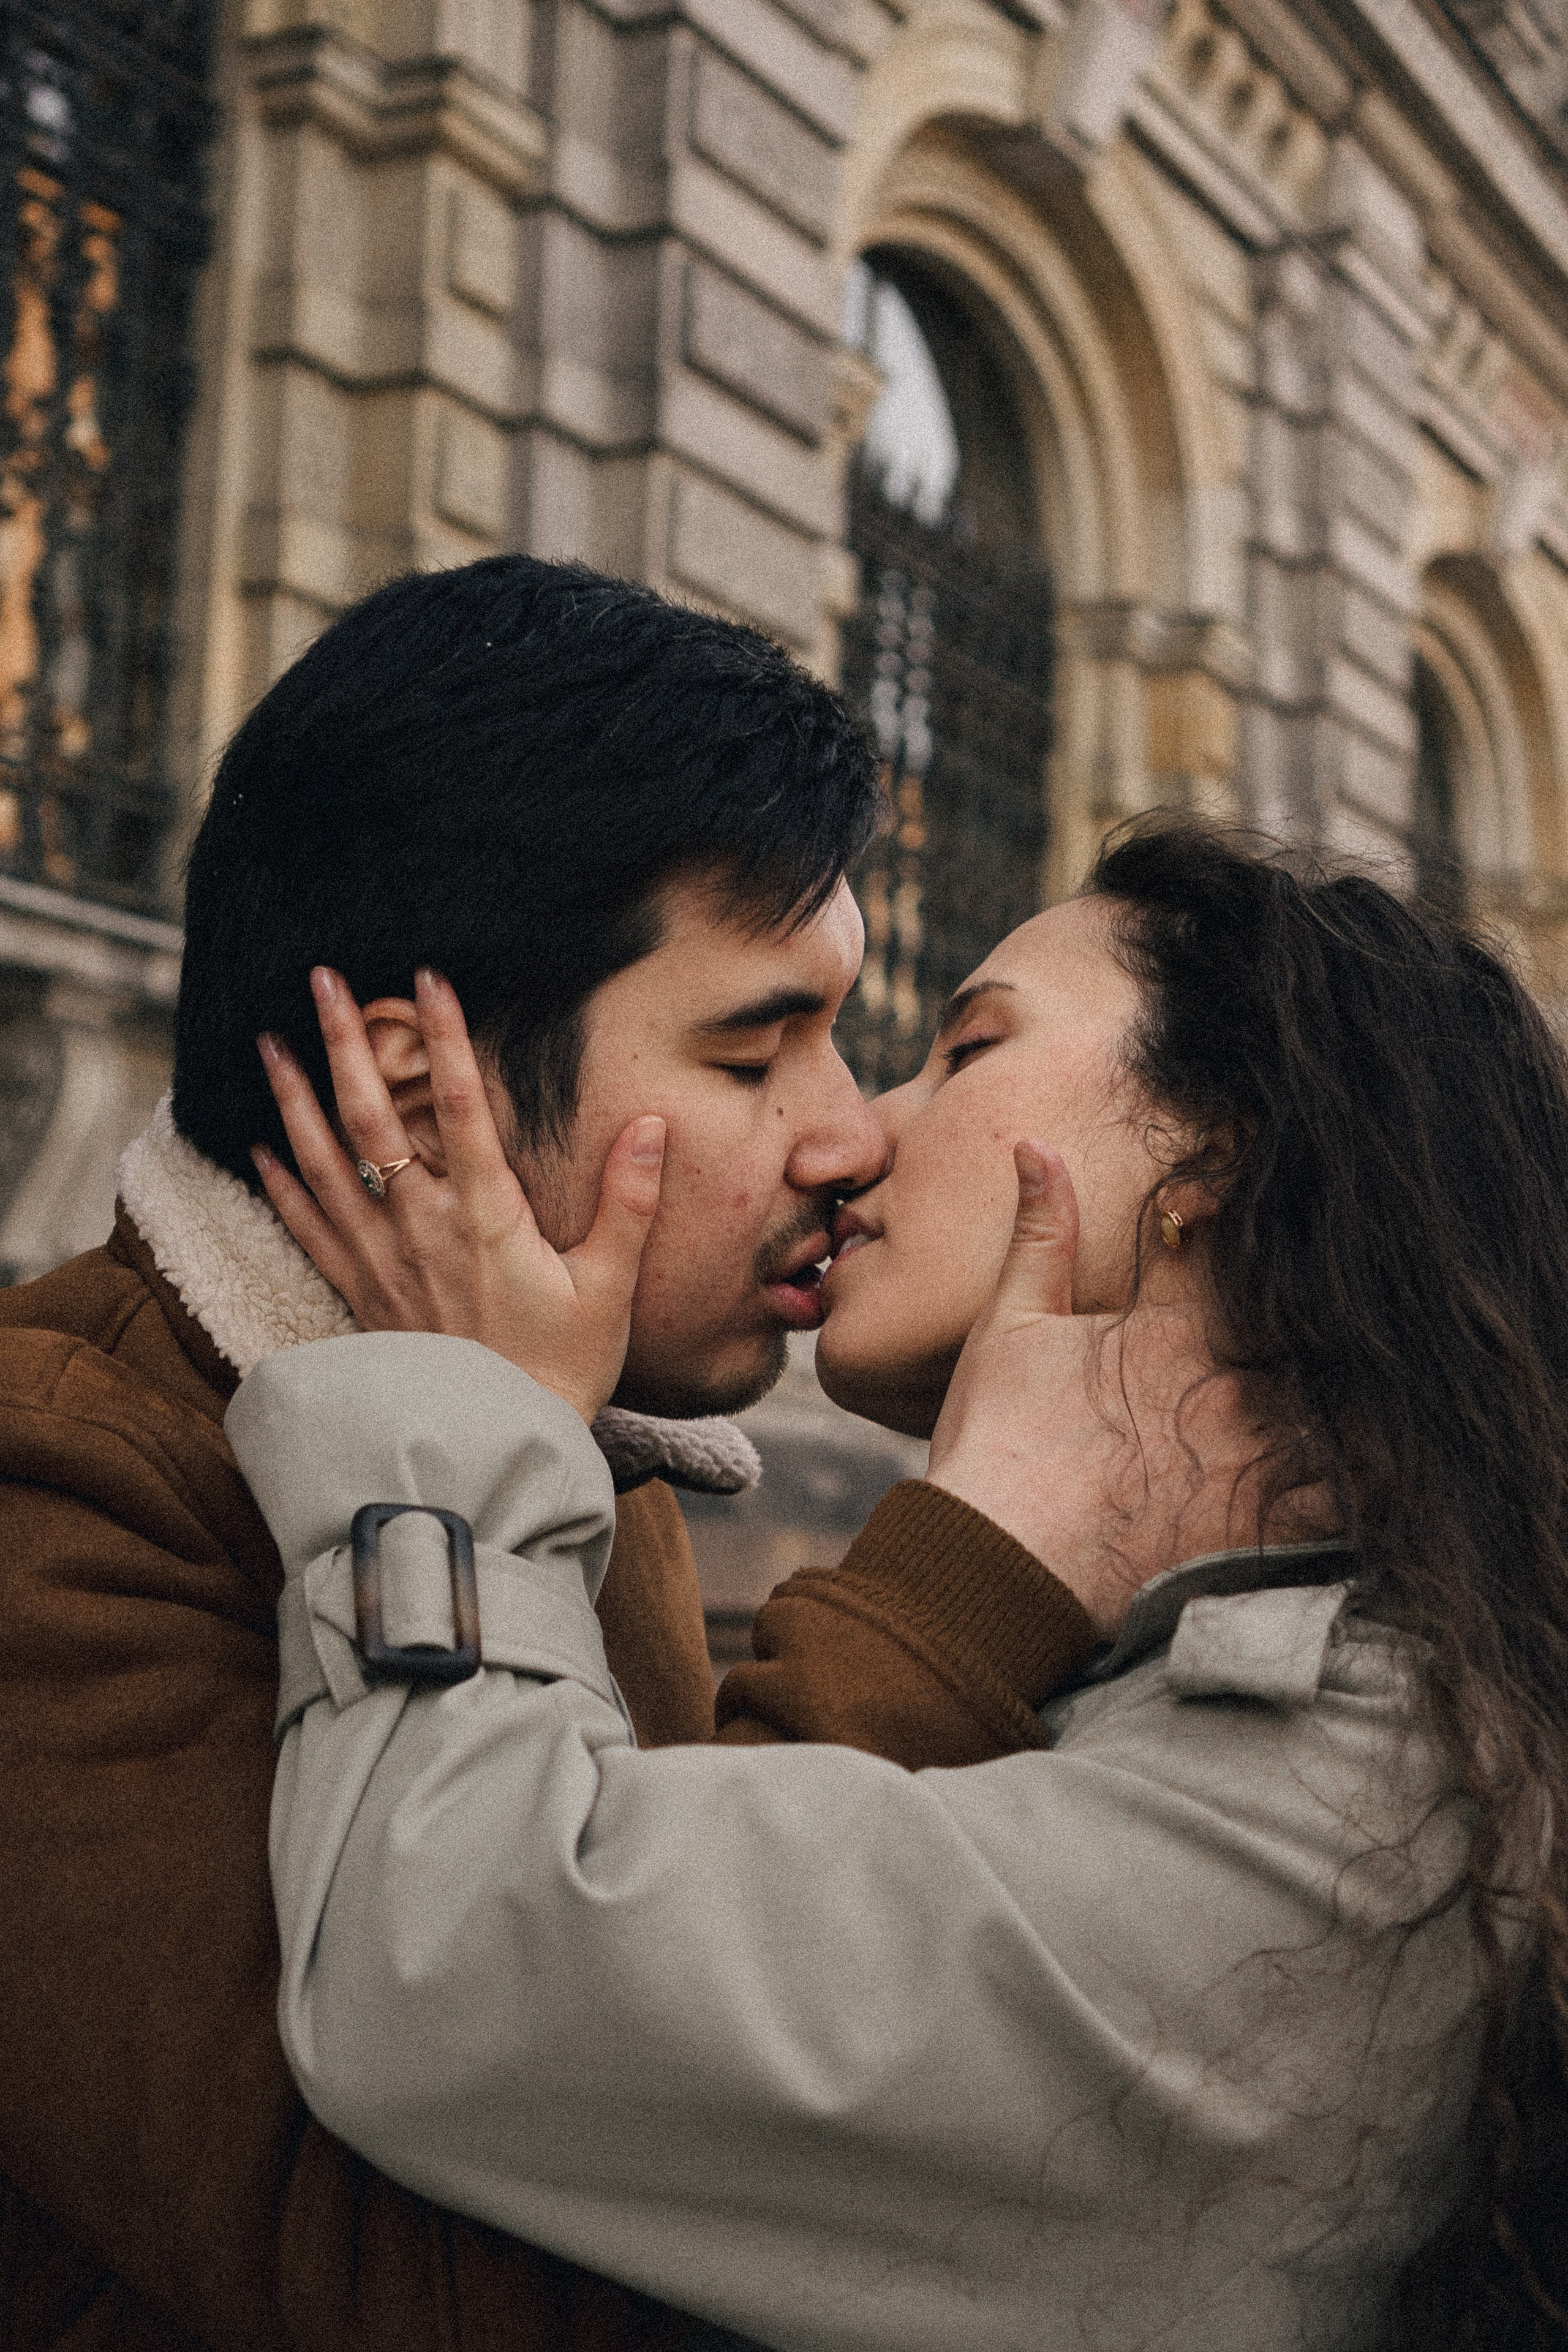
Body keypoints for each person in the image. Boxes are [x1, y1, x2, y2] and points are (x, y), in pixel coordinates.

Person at [244, 817, 1568, 2351]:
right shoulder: (1381, 1690)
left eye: (964, 1050)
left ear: (1214, 1150)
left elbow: (456, 1973)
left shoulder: (1364, 1805)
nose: (862, 1130)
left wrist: (468, 1401)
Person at [0, 554, 1019, 2351]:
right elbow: (475, 2292)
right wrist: (987, 1571)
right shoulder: (60, 1491)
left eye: (841, 1036)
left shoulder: (549, 1423)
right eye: (756, 1048)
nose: (850, 1135)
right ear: (416, 1095)